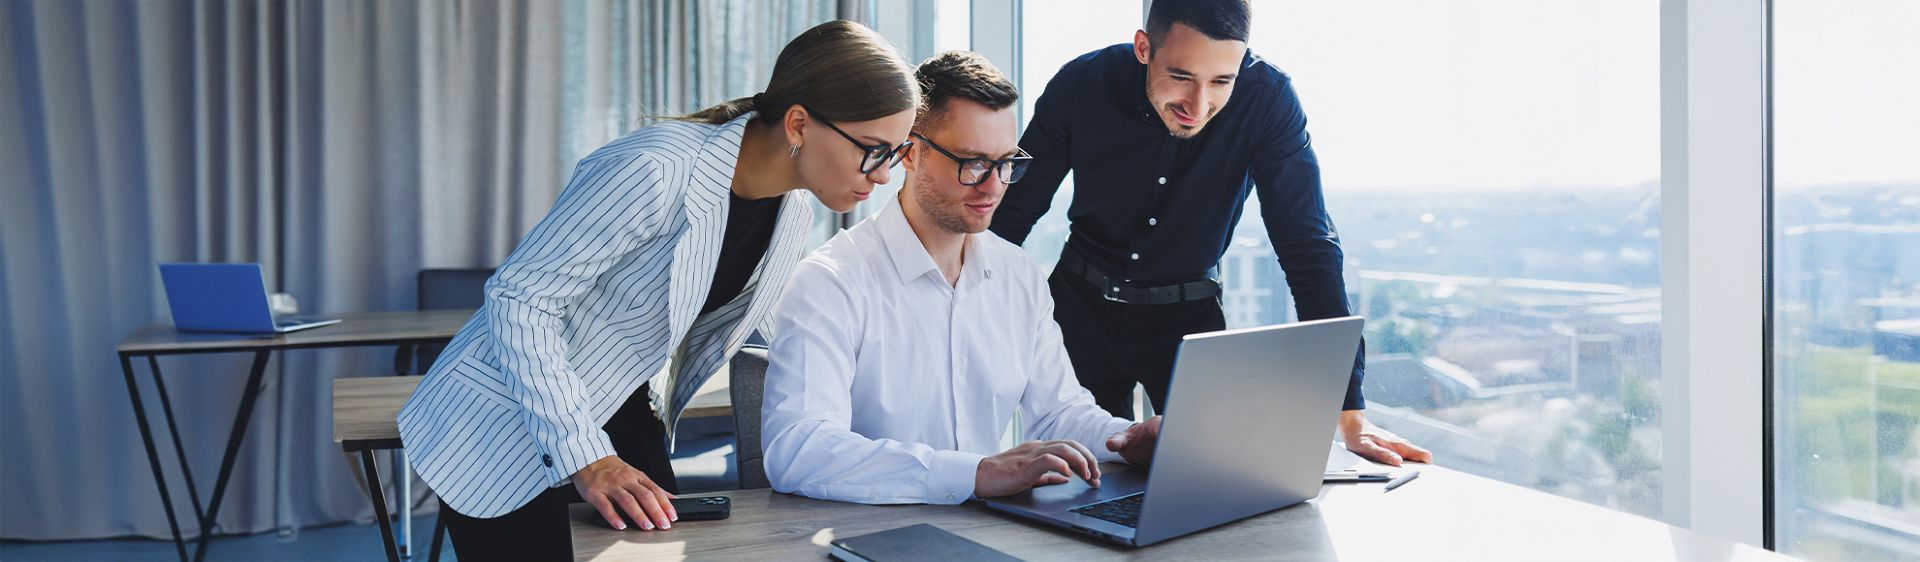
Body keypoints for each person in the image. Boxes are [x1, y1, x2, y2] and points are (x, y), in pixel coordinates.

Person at [395, 20, 920, 559]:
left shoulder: (792, 213)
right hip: (502, 419)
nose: (883, 175)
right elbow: (519, 300)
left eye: (896, 153)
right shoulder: (655, 168)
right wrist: (587, 457)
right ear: (798, 124)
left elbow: (769, 331)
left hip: (619, 406)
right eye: (873, 150)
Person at [987, 0, 1431, 466]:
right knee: (1080, 475)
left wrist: (1348, 409)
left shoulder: (1267, 100)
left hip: (1188, 325)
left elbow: (1308, 245)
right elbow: (1011, 214)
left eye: (1222, 81)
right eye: (1181, 77)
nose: (1198, 106)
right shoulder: (1083, 84)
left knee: (1208, 476)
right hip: (1078, 312)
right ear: (1144, 48)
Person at [761, 51, 1162, 504]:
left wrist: (1129, 441)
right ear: (910, 152)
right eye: (972, 162)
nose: (994, 186)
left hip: (993, 529)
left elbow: (1058, 414)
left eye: (1006, 162)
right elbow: (799, 449)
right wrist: (974, 473)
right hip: (870, 530)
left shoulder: (1019, 275)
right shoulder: (830, 282)